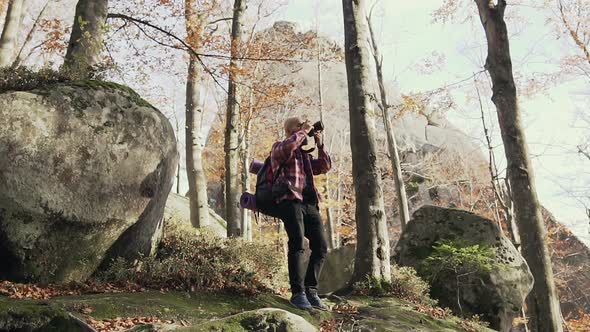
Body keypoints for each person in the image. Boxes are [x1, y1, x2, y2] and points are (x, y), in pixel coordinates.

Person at [271, 117, 331, 310]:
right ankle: (298, 294)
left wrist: (319, 142)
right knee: (297, 243)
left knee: (321, 246)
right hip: (290, 200)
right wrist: (304, 130)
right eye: (300, 126)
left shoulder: (305, 156)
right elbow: (286, 148)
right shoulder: (280, 148)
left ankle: (311, 291)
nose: (306, 129)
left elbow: (325, 166)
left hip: (310, 204)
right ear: (290, 130)